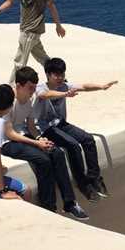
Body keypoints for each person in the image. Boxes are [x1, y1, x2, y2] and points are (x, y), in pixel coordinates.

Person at [1, 66, 89, 221]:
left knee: (57, 152)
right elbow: (9, 133)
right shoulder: (9, 101)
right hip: (7, 142)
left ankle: (70, 203)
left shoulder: (29, 100)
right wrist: (35, 144)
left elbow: (30, 126)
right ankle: (48, 207)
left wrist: (39, 138)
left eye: (34, 88)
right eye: (30, 88)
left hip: (23, 135)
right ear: (19, 86)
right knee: (43, 160)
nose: (32, 92)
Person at [34, 57, 118, 201]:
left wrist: (101, 86)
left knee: (88, 139)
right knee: (73, 145)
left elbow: (84, 86)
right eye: (57, 75)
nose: (60, 78)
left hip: (60, 124)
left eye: (62, 74)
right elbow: (45, 95)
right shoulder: (42, 87)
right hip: (46, 128)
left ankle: (94, 179)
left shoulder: (64, 85)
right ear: (48, 74)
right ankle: (82, 184)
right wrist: (65, 94)